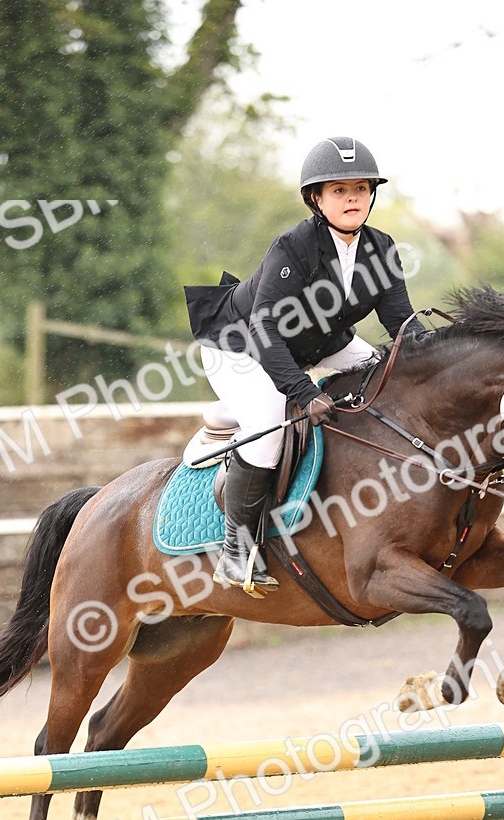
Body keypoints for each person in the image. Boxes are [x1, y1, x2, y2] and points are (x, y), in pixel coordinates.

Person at [184, 135, 426, 597]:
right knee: (269, 424)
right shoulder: (293, 247)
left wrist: (444, 354)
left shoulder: (380, 248)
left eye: (361, 189)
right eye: (339, 190)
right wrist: (304, 392)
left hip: (319, 343)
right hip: (240, 345)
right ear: (316, 198)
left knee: (382, 371)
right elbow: (264, 328)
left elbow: (402, 325)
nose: (353, 198)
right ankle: (236, 551)